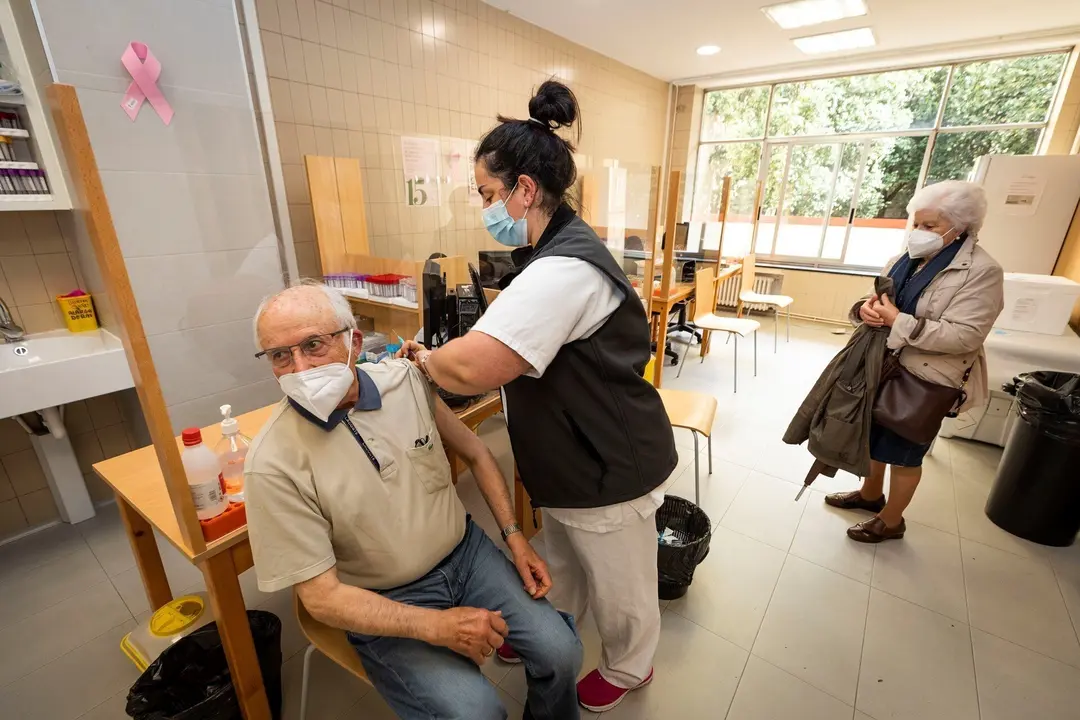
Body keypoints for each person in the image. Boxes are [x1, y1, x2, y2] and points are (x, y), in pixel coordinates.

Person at [398, 80, 678, 713]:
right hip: (567, 455)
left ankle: (633, 666)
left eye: (490, 195)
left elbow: (475, 366)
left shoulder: (567, 268)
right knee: (565, 557)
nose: (486, 208)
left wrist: (425, 359)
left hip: (607, 457)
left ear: (525, 190)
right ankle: (556, 631)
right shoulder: (551, 251)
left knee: (621, 581)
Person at [244, 283, 582, 720]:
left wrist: (515, 538)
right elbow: (322, 599)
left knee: (562, 654)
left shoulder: (405, 382)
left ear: (354, 342)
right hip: (385, 598)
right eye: (280, 355)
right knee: (474, 713)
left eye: (313, 344)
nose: (301, 368)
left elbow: (477, 452)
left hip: (468, 556)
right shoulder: (272, 462)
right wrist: (436, 627)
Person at [825, 180, 1004, 542]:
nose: (918, 233)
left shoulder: (982, 272)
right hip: (884, 365)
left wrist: (897, 321)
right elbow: (883, 297)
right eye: (917, 224)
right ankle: (871, 495)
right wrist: (866, 309)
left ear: (960, 227)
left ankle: (892, 522)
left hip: (927, 378)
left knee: (904, 452)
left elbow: (965, 336)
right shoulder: (906, 260)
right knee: (873, 436)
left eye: (929, 226)